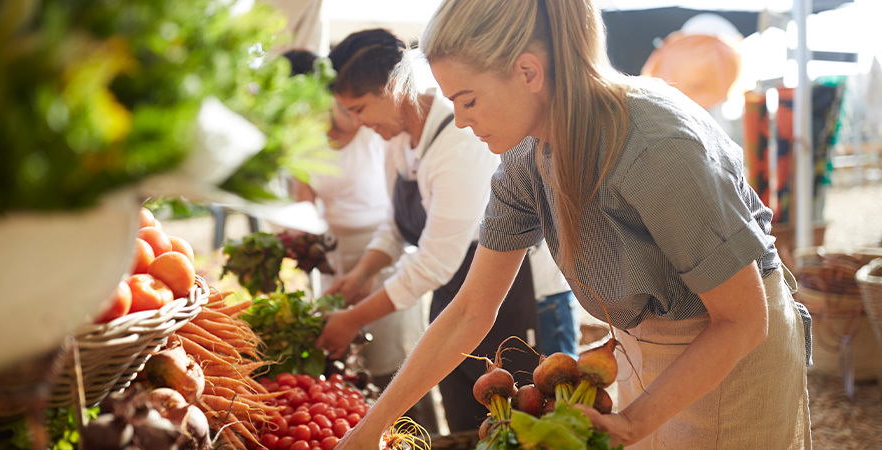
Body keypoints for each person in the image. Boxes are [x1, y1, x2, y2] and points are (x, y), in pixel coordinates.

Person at [335, 1, 813, 449]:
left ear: (528, 72)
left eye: (469, 100)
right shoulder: (523, 163)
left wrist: (633, 421)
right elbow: (468, 313)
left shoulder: (654, 147)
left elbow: (743, 320)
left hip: (736, 355)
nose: (460, 121)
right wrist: (371, 428)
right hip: (643, 354)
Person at [313, 28, 549, 434]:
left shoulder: (459, 139)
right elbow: (396, 224)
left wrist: (353, 318)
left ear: (393, 89)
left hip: (514, 294)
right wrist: (364, 273)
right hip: (454, 294)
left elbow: (435, 259)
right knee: (465, 420)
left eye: (359, 108)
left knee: (522, 425)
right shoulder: (397, 139)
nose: (358, 122)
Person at [281, 49, 438, 430]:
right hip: (336, 256)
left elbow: (414, 238)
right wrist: (293, 240)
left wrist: (369, 268)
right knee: (351, 361)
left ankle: (422, 434)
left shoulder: (362, 120)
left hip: (382, 248)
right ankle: (370, 432)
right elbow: (305, 203)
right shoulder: (302, 139)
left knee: (395, 362)